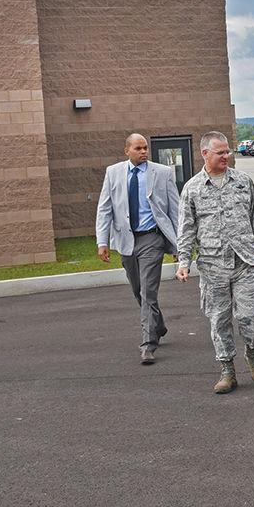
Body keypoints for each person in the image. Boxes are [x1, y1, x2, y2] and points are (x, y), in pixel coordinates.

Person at [175, 131, 254, 394]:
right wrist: (184, 260)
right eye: (220, 152)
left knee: (251, 316)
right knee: (219, 319)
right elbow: (186, 228)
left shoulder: (243, 181)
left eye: (228, 151)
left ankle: (252, 355)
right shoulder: (192, 188)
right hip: (212, 266)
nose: (226, 156)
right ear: (205, 154)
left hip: (244, 261)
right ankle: (227, 369)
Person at [95, 133, 180, 365]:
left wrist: (178, 244)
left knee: (148, 292)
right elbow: (105, 208)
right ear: (127, 151)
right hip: (126, 241)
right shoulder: (113, 173)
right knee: (137, 290)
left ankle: (148, 343)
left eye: (145, 148)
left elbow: (175, 209)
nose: (144, 152)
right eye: (138, 148)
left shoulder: (162, 173)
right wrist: (102, 241)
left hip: (152, 239)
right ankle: (158, 324)